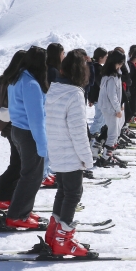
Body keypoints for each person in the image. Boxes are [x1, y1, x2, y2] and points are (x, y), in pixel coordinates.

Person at [44, 50, 95, 257]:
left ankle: (53, 233)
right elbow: (78, 131)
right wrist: (87, 158)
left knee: (64, 192)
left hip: (57, 148)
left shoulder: (54, 89)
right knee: (73, 193)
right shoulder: (74, 94)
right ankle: (62, 240)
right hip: (70, 152)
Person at [4, 46, 50, 229]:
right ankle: (17, 215)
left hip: (17, 129)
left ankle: (22, 211)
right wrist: (43, 146)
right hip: (28, 132)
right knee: (32, 176)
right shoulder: (31, 84)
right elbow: (36, 119)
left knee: (28, 174)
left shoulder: (18, 77)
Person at [0, 50, 26, 212]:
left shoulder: (6, 79)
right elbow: (9, 108)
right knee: (18, 164)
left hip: (9, 127)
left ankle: (2, 196)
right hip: (14, 125)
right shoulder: (14, 81)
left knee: (16, 163)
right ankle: (3, 197)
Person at [98, 50, 127, 161]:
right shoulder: (111, 77)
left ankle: (109, 154)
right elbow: (112, 95)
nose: (121, 65)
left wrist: (120, 105)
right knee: (113, 133)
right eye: (120, 63)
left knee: (115, 131)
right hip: (109, 108)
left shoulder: (115, 74)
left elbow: (118, 94)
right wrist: (117, 108)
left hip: (112, 107)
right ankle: (106, 157)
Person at [88, 48, 108, 136]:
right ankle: (92, 134)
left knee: (102, 118)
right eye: (105, 57)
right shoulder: (97, 68)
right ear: (100, 57)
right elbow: (100, 84)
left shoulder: (94, 67)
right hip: (98, 96)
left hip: (97, 96)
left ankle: (97, 134)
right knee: (99, 118)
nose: (106, 59)